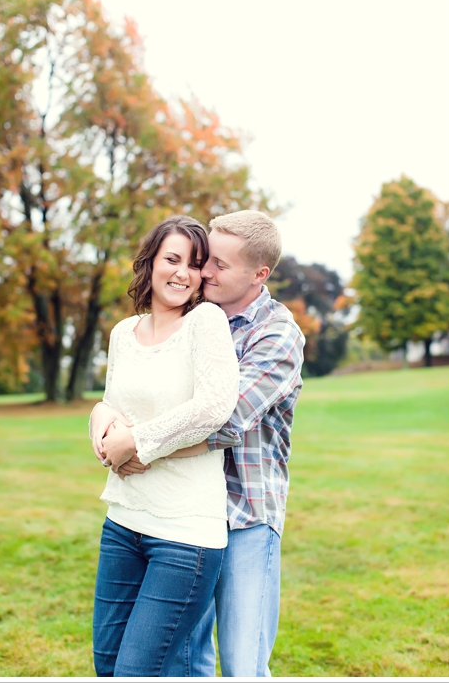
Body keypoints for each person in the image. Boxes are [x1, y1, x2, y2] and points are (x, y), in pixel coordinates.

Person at [109, 210, 306, 677]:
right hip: (187, 514)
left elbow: (224, 420)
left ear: (260, 274)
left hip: (245, 513)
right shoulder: (191, 318)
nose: (204, 272)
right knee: (184, 661)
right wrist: (109, 419)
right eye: (203, 260)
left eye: (218, 264)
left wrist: (133, 443)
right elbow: (133, 393)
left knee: (241, 664)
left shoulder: (277, 334)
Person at [87, 215, 240, 677]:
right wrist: (100, 425)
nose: (182, 273)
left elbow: (215, 407)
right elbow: (112, 403)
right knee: (108, 664)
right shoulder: (121, 333)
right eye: (172, 259)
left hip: (185, 535)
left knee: (138, 670)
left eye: (195, 265)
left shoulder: (206, 322)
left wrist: (137, 441)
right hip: (122, 520)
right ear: (150, 262)